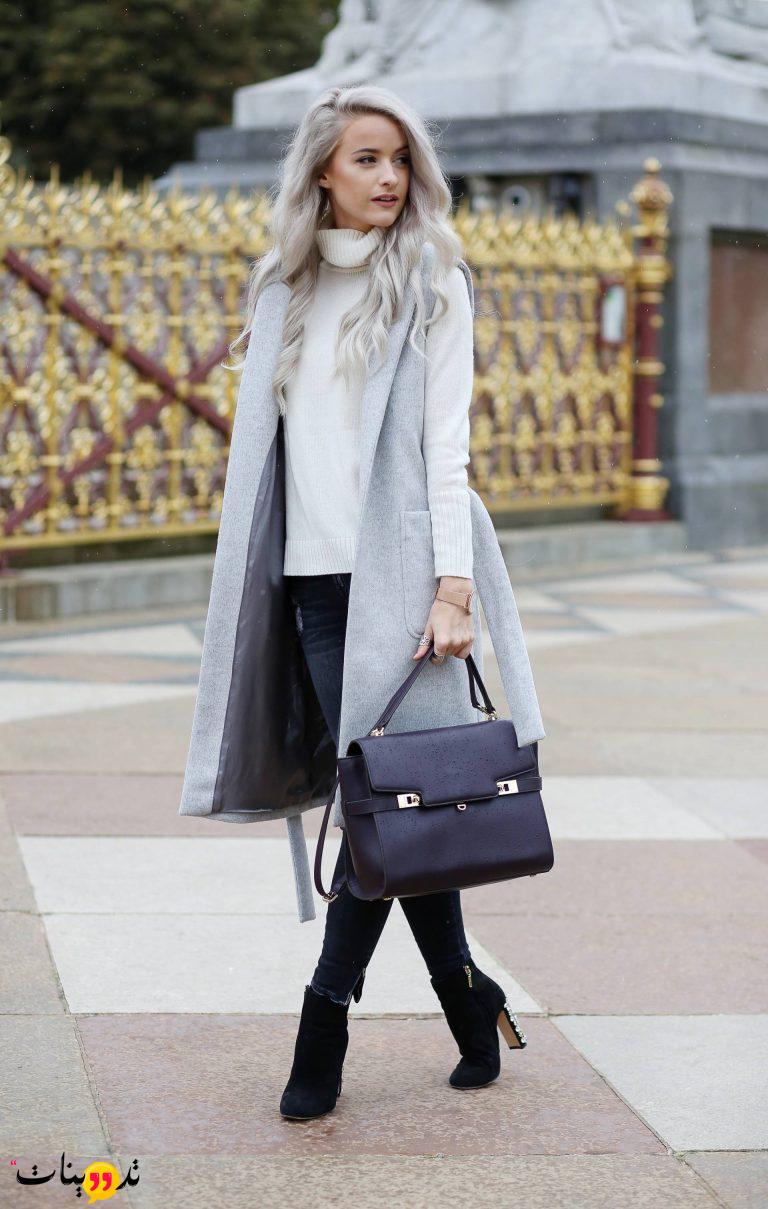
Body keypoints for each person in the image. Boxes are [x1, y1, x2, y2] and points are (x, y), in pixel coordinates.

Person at [218, 84, 523, 1120]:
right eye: (367, 158)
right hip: (309, 583)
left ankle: (323, 1022)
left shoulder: (431, 278)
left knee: (377, 807)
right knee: (395, 806)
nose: (390, 177)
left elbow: (447, 446)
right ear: (321, 171)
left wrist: (453, 587)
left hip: (398, 582)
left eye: (400, 159)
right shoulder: (283, 286)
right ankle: (468, 997)